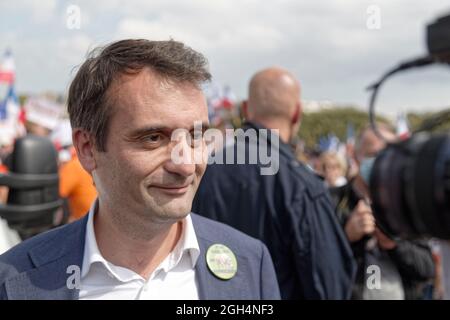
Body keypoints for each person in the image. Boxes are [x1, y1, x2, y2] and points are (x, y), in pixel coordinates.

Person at [0, 39, 280, 300]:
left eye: (196, 136)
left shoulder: (250, 264)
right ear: (87, 148)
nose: (185, 165)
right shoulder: (14, 281)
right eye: (153, 138)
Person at [192, 67, 356, 299]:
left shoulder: (202, 171)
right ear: (297, 113)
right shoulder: (301, 184)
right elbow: (329, 286)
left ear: (246, 109)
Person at [329, 124, 435, 299]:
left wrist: (394, 244)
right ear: (355, 156)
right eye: (373, 155)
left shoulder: (407, 204)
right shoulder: (331, 201)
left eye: (389, 155)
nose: (383, 163)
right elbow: (314, 266)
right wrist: (346, 236)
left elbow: (426, 269)